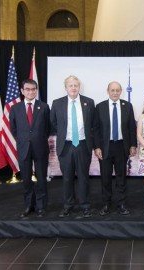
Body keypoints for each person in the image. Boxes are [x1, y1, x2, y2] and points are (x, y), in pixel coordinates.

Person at [50, 75, 97, 218]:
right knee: (67, 178)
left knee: (83, 177)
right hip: (66, 146)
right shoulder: (57, 103)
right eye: (70, 85)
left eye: (76, 85)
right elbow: (53, 123)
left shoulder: (89, 102)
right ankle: (68, 205)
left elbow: (93, 125)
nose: (73, 88)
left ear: (79, 87)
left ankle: (85, 205)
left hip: (83, 145)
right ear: (66, 88)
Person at [94, 81, 137, 216]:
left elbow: (131, 127)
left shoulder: (127, 106)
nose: (115, 92)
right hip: (105, 147)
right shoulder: (100, 107)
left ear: (121, 91)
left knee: (121, 177)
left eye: (117, 90)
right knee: (105, 178)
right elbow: (95, 129)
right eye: (112, 90)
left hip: (121, 146)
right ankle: (106, 204)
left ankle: (121, 204)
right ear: (108, 91)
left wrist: (133, 145)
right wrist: (97, 147)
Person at [10, 79, 50, 218]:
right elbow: (14, 129)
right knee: (26, 179)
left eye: (33, 89)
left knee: (41, 178)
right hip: (24, 148)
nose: (31, 92)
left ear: (36, 90)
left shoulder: (44, 107)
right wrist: (25, 139)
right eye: (28, 89)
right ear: (22, 91)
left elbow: (48, 128)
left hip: (40, 148)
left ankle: (41, 206)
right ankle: (29, 205)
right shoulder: (15, 108)